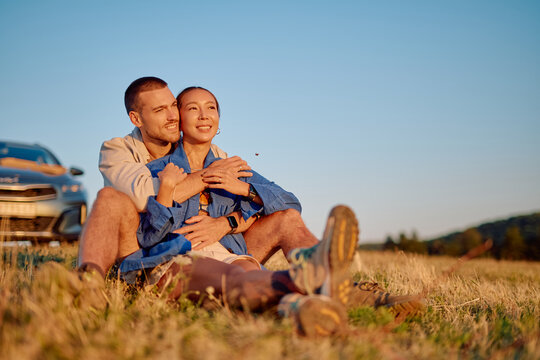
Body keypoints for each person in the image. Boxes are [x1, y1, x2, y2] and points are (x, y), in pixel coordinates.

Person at [75, 76, 424, 317]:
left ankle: (334, 284)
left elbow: (286, 201)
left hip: (227, 249)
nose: (172, 116)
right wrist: (190, 183)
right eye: (182, 110)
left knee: (283, 223)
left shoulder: (225, 161)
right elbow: (145, 213)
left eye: (209, 109)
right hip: (169, 253)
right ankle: (87, 283)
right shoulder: (137, 158)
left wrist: (229, 215)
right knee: (237, 280)